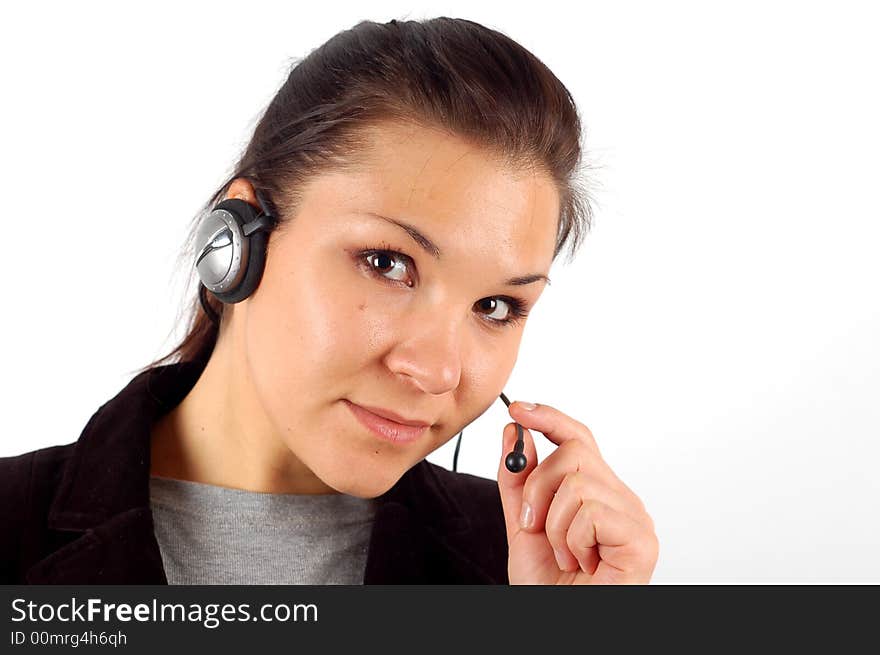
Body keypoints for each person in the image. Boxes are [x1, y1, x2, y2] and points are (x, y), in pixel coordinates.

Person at [0, 17, 658, 584]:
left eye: (495, 307)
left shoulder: (519, 560)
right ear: (237, 240)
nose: (437, 371)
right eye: (387, 263)